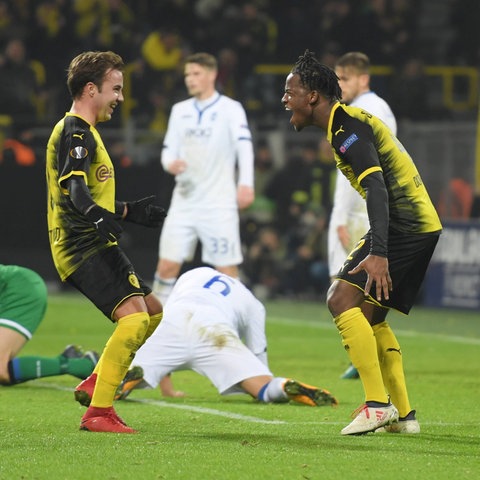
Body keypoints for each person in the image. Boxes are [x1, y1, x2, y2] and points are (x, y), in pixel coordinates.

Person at [281, 50, 442, 435]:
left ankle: (375, 405)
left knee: (339, 299)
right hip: (418, 223)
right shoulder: (345, 123)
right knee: (371, 315)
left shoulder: (346, 129)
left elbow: (377, 187)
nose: (285, 99)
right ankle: (404, 416)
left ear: (313, 96)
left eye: (291, 91)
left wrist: (379, 252)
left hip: (406, 223)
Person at [46, 51, 167, 434]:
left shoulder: (84, 130)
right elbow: (76, 190)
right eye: (115, 89)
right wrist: (99, 219)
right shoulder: (76, 131)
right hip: (81, 244)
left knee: (152, 309)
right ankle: (98, 412)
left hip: (87, 239)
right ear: (90, 89)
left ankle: (99, 380)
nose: (120, 97)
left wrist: (128, 212)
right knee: (134, 320)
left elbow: (91, 196)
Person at [112, 267, 337, 408]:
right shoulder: (253, 304)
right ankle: (283, 386)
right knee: (265, 388)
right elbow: (259, 355)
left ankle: (126, 380)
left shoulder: (193, 274)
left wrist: (167, 389)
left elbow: (163, 319)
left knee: (124, 376)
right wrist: (259, 382)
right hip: (215, 333)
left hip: (176, 320)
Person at [152, 52, 255, 305]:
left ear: (212, 75)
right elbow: (168, 150)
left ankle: (234, 327)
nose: (190, 79)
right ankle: (153, 329)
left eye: (196, 74)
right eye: (187, 74)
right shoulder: (180, 111)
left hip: (219, 204)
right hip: (184, 202)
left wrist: (246, 184)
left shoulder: (231, 109)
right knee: (166, 267)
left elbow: (244, 147)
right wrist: (170, 163)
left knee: (227, 269)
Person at [330, 51, 397, 380]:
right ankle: (363, 355)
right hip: (364, 206)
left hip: (362, 208)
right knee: (361, 286)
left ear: (363, 79)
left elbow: (367, 170)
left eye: (344, 79)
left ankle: (364, 358)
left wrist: (341, 215)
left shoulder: (366, 110)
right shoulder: (378, 108)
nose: (339, 85)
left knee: (351, 287)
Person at [0, 264, 98, 385]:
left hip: (18, 290)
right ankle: (72, 362)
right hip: (12, 290)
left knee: (1, 369)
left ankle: (84, 365)